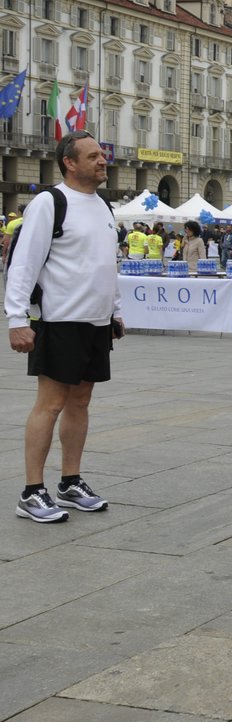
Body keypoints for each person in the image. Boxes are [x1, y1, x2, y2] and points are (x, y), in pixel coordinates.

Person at [5, 132, 121, 524]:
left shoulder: (103, 205)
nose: (102, 161)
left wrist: (115, 311)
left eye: (102, 156)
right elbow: (24, 262)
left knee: (81, 401)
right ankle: (31, 491)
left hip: (95, 321)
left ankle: (70, 481)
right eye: (93, 156)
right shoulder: (49, 202)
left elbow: (106, 263)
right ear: (70, 162)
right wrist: (17, 319)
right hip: (59, 319)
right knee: (51, 403)